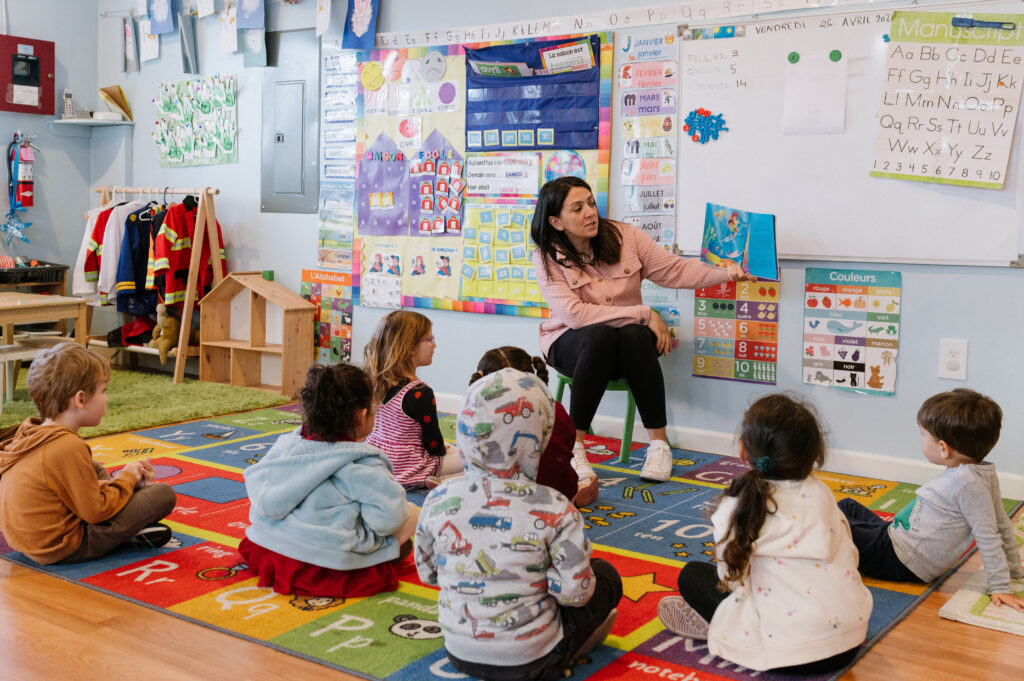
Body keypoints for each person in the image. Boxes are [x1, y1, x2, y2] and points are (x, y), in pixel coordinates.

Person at [531, 176, 755, 482]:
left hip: (624, 344)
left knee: (634, 335)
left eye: (591, 203)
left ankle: (659, 445)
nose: (590, 212)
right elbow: (575, 316)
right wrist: (643, 313)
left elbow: (675, 270)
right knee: (601, 336)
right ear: (556, 221)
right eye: (578, 208)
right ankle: (575, 448)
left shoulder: (626, 237)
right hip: (569, 343)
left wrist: (726, 273)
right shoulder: (545, 257)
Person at [416, 368, 623, 681]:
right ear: (539, 437)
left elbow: (429, 573)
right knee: (605, 576)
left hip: (459, 654)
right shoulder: (555, 506)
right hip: (534, 661)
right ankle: (573, 646)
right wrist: (541, 579)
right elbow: (576, 594)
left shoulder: (437, 499)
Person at [657, 394, 871, 673]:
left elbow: (728, 577)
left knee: (692, 576)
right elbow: (849, 553)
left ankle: (720, 627)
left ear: (744, 451)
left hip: (788, 652)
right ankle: (723, 625)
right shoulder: (823, 494)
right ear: (811, 454)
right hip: (848, 642)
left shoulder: (739, 504)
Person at [239, 363, 419, 597]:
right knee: (412, 513)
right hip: (329, 562)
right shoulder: (364, 464)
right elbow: (386, 521)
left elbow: (263, 494)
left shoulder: (287, 445)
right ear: (361, 416)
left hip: (271, 545)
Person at [838, 388, 1024, 611]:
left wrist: (1001, 586)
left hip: (900, 561)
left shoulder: (966, 483)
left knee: (831, 521)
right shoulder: (981, 472)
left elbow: (989, 535)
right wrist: (1014, 569)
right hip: (895, 538)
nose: (921, 439)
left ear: (943, 448)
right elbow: (1002, 523)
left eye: (924, 434)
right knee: (846, 506)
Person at [0, 343, 177, 565]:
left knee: (93, 467)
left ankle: (124, 502)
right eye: (103, 391)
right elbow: (96, 512)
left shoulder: (29, 430)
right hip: (62, 546)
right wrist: (129, 478)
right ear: (81, 399)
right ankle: (126, 531)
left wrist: (123, 482)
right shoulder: (68, 446)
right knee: (162, 495)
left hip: (27, 542)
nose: (107, 399)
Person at [469, 346, 598, 506]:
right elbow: (568, 444)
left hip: (503, 498)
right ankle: (577, 491)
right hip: (560, 495)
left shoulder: (481, 413)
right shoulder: (555, 408)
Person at [364, 310, 462, 489]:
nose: (435, 345)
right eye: (429, 339)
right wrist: (441, 451)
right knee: (469, 457)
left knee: (449, 447)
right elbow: (433, 445)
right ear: (410, 348)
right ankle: (443, 482)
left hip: (379, 464)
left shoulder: (374, 380)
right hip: (410, 470)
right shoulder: (420, 392)